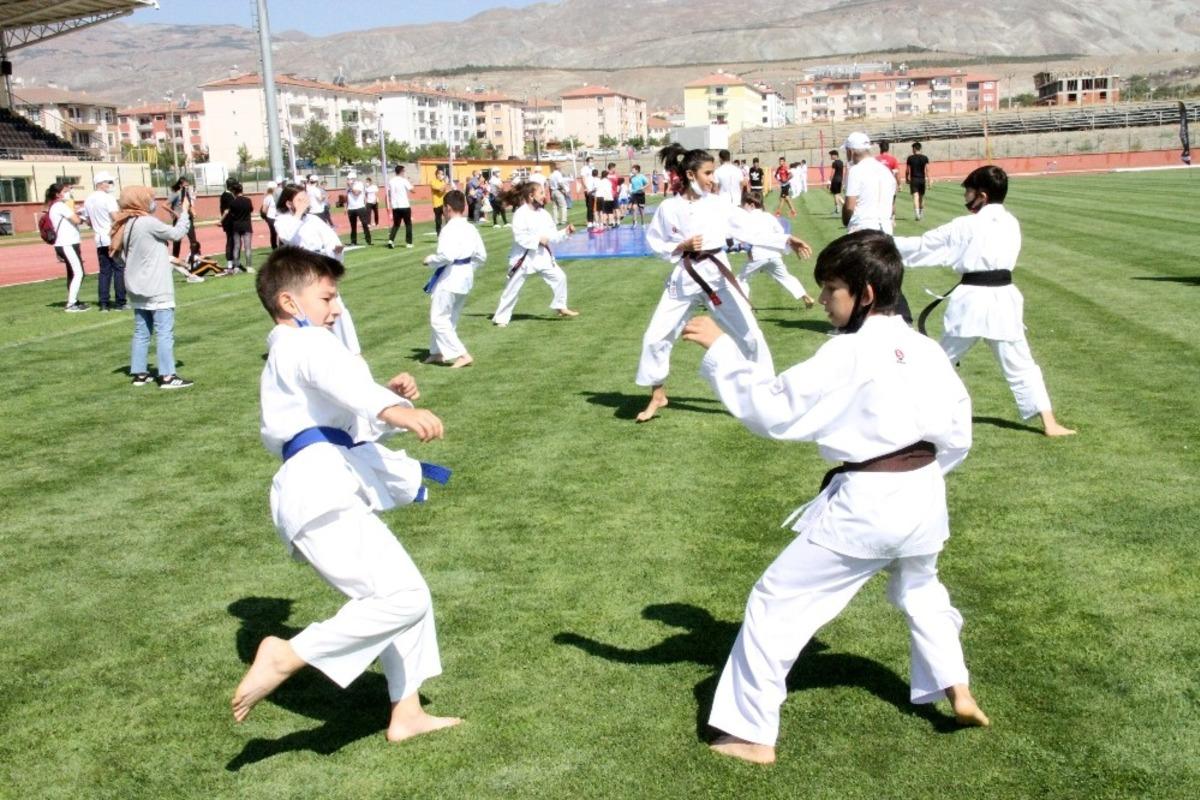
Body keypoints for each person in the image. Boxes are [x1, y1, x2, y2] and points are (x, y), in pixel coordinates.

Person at [682, 230, 989, 765]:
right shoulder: (925, 348)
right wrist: (921, 479)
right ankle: (957, 688)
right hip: (924, 495)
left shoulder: (847, 352)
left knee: (775, 603)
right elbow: (959, 435)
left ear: (865, 294)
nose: (823, 301)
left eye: (831, 289)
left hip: (868, 504)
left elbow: (773, 410)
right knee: (921, 590)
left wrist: (722, 353)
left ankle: (752, 734)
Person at [232, 246, 461, 743]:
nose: (336, 308)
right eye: (328, 297)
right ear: (291, 303)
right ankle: (289, 654)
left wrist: (391, 398)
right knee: (401, 596)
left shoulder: (298, 350)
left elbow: (348, 415)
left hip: (324, 483)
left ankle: (408, 712)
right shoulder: (301, 344)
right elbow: (347, 387)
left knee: (406, 595)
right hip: (318, 488)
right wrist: (394, 409)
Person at [634, 143, 812, 423]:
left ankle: (765, 393)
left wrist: (785, 240)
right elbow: (655, 242)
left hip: (717, 276)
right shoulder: (669, 208)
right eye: (707, 173)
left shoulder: (717, 204)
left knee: (750, 335)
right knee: (655, 337)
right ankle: (658, 394)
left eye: (713, 172)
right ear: (691, 175)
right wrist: (681, 244)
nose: (713, 178)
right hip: (684, 278)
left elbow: (747, 226)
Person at [894, 165, 1076, 437]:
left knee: (940, 361)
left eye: (968, 191)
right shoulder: (1011, 222)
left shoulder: (966, 225)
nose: (965, 197)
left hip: (973, 301)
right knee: (1021, 363)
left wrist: (879, 242)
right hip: (1003, 299)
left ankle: (905, 415)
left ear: (982, 195)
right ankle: (1049, 423)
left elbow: (924, 246)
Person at [110, 186, 194, 388]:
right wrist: (184, 212)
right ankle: (167, 376)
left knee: (141, 331)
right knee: (164, 331)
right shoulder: (147, 222)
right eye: (150, 199)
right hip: (155, 286)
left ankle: (140, 373)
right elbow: (176, 233)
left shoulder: (128, 223)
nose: (153, 202)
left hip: (137, 286)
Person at [274, 183, 361, 357]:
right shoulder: (282, 221)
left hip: (322, 267)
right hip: (302, 272)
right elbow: (287, 236)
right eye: (299, 199)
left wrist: (336, 249)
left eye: (305, 198)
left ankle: (353, 351)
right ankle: (315, 351)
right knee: (308, 310)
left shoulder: (312, 219)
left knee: (338, 309)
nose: (305, 202)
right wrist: (298, 212)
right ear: (288, 203)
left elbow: (329, 238)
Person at [492, 179, 579, 327]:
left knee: (560, 277)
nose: (543, 196)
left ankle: (560, 306)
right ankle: (501, 318)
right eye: (541, 193)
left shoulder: (544, 214)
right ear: (531, 196)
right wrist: (538, 240)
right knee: (512, 289)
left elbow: (552, 236)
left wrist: (566, 232)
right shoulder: (520, 214)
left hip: (542, 257)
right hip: (523, 258)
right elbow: (519, 237)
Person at [422, 190, 486, 368]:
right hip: (465, 275)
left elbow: (446, 256)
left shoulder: (448, 229)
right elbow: (481, 256)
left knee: (439, 318)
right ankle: (437, 351)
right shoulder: (470, 227)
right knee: (450, 317)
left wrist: (430, 260)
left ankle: (461, 354)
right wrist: (467, 268)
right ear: (464, 207)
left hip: (451, 277)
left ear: (447, 208)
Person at [734, 190, 815, 309]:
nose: (743, 209)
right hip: (774, 255)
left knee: (740, 278)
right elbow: (781, 233)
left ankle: (744, 305)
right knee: (786, 277)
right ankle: (806, 296)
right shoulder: (769, 217)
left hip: (757, 256)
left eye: (744, 205)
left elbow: (746, 237)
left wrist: (749, 251)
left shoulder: (747, 218)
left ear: (751, 205)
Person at [83, 172, 126, 311]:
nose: (110, 185)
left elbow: (88, 220)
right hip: (111, 237)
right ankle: (120, 302)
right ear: (101, 183)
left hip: (99, 238)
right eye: (108, 182)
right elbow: (115, 217)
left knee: (104, 271)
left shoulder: (88, 199)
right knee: (119, 269)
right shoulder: (108, 198)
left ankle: (104, 303)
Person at [46, 182, 88, 312]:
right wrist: (82, 218)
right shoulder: (59, 205)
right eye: (65, 191)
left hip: (68, 243)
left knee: (73, 272)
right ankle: (71, 303)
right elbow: (75, 220)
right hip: (66, 243)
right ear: (58, 194)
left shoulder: (57, 206)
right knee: (78, 273)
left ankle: (74, 299)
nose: (68, 193)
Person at [222, 182, 255, 273]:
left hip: (236, 226)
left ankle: (236, 266)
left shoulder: (233, 202)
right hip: (247, 225)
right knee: (247, 247)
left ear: (234, 191)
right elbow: (251, 210)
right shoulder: (248, 200)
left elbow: (231, 213)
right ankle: (249, 266)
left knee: (236, 246)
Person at [168, 177, 201, 260]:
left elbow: (189, 205)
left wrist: (193, 212)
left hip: (188, 219)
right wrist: (174, 213)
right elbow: (164, 205)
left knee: (193, 239)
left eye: (187, 185)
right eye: (185, 185)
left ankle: (195, 257)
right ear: (180, 185)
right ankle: (175, 259)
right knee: (177, 240)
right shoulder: (176, 193)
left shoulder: (187, 194)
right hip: (178, 220)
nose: (187, 187)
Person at [386, 165, 414, 249]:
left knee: (396, 225)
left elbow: (389, 193)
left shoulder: (391, 181)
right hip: (404, 205)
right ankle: (409, 243)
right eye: (404, 171)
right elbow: (412, 190)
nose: (404, 173)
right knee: (408, 224)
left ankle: (391, 240)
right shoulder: (404, 180)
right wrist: (411, 184)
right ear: (401, 171)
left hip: (395, 206)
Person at [345, 171, 372, 247]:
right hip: (351, 208)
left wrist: (350, 186)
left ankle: (368, 240)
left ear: (354, 179)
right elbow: (347, 197)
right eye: (348, 179)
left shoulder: (359, 184)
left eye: (350, 179)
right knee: (353, 226)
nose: (348, 180)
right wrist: (345, 207)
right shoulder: (347, 186)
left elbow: (356, 193)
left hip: (360, 207)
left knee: (364, 224)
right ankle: (353, 241)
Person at [905, 142, 930, 220]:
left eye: (912, 149)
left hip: (914, 179)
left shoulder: (910, 158)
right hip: (922, 179)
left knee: (915, 197)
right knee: (921, 197)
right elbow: (927, 170)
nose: (912, 150)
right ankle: (921, 213)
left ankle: (917, 215)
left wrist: (906, 178)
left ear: (914, 149)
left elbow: (907, 170)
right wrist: (929, 180)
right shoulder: (925, 158)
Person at [219, 177, 237, 267]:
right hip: (229, 222)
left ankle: (233, 261)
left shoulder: (226, 195)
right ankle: (230, 262)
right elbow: (227, 210)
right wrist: (221, 220)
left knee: (232, 241)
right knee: (231, 241)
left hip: (229, 221)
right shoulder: (228, 196)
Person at [261, 181, 280, 250]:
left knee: (275, 233)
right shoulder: (269, 197)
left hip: (273, 217)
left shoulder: (268, 197)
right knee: (276, 233)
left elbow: (264, 210)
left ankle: (275, 248)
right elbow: (264, 210)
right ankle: (276, 248)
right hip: (273, 217)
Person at [430, 167, 449, 235]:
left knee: (448, 218)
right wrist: (446, 184)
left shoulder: (443, 182)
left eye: (443, 174)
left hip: (444, 203)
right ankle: (439, 234)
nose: (442, 176)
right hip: (437, 204)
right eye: (441, 174)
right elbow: (440, 190)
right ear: (437, 174)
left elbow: (445, 191)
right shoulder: (433, 182)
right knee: (438, 221)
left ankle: (448, 232)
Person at [828, 149, 845, 215]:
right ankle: (845, 205)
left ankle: (837, 210)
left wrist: (829, 181)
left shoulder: (834, 163)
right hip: (840, 179)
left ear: (835, 155)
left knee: (835, 195)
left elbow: (833, 172)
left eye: (831, 155)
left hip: (835, 180)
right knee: (838, 194)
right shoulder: (841, 162)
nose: (831, 157)